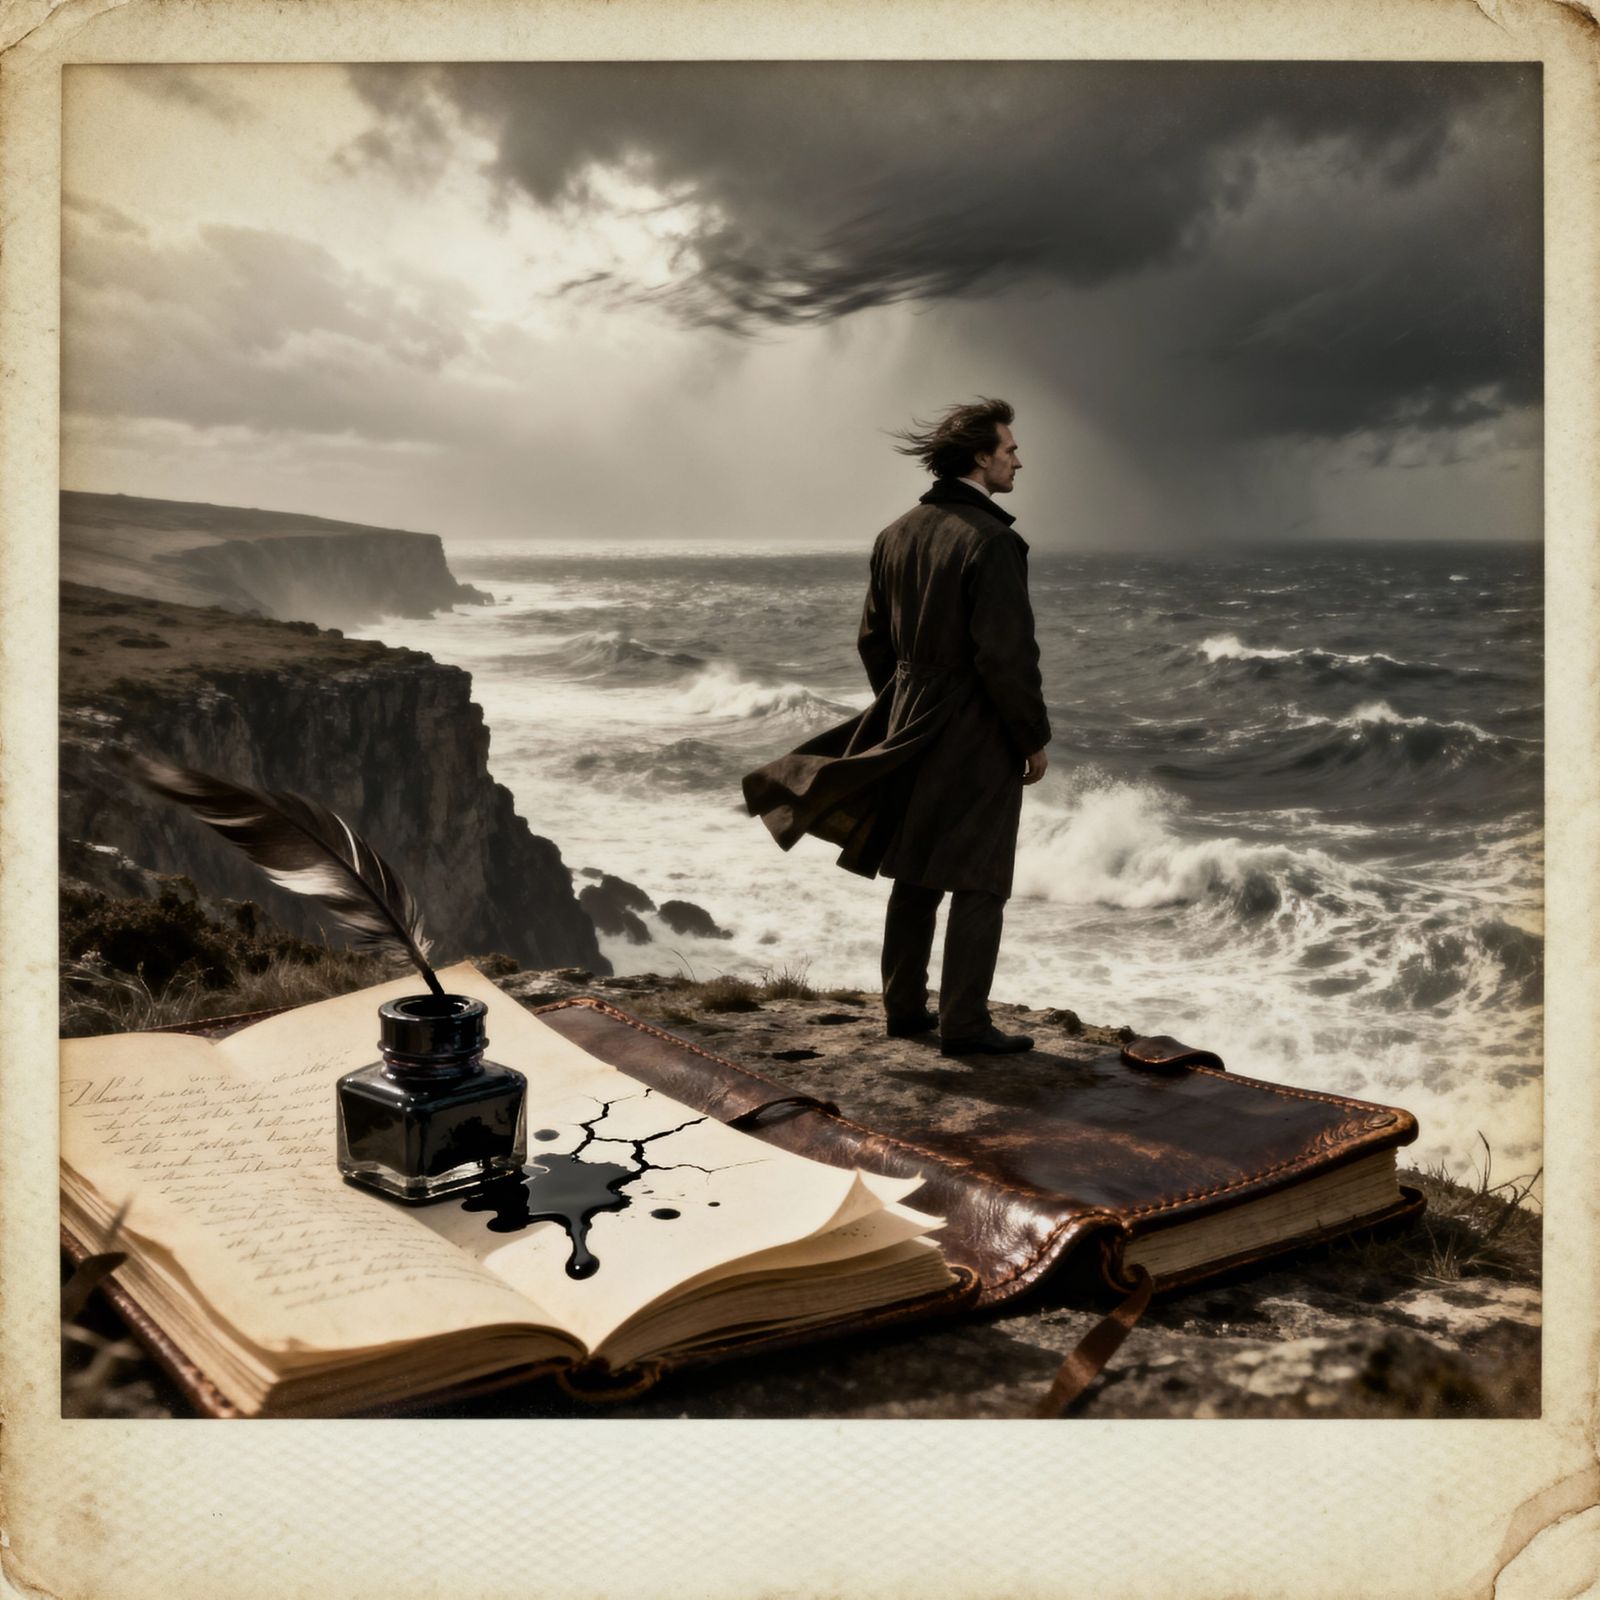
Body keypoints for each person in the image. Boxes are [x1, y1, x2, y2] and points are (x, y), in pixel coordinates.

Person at [742, 397, 1050, 1055]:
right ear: (980, 457)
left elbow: (872, 641)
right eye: (1011, 449)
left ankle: (906, 1012)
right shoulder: (993, 542)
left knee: (917, 869)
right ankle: (965, 1025)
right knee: (980, 876)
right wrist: (1031, 737)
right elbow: (1007, 657)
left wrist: (906, 702)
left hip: (909, 713)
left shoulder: (896, 534)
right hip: (975, 727)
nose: (1019, 459)